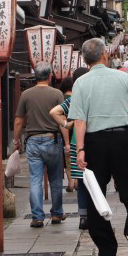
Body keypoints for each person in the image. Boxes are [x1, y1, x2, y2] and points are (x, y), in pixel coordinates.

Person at [70, 38, 128, 256]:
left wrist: (81, 149)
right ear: (105, 55)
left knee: (95, 193)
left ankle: (107, 251)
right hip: (121, 138)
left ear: (85, 60)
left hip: (94, 142)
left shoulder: (81, 83)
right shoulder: (122, 78)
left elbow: (79, 120)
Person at [13, 63, 68, 227]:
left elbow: (18, 121)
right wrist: (66, 143)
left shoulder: (26, 94)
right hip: (53, 139)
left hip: (33, 140)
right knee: (56, 180)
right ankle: (57, 213)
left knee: (35, 180)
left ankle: (37, 216)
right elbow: (62, 122)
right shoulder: (57, 94)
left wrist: (16, 141)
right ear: (49, 76)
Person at [50, 68, 90, 230]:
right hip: (92, 141)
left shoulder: (73, 100)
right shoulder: (91, 96)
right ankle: (95, 213)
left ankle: (83, 217)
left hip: (75, 144)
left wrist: (68, 123)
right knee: (95, 180)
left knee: (81, 181)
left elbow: (54, 112)